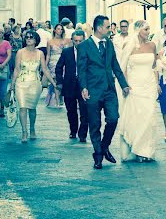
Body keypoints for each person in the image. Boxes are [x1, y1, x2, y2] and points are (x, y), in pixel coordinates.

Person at [78, 15, 129, 170]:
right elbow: (81, 69)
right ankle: (98, 154)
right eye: (108, 27)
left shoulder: (109, 44)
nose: (110, 29)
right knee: (94, 124)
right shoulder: (84, 46)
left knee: (113, 119)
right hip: (92, 91)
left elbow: (115, 65)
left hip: (109, 90)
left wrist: (124, 84)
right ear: (99, 28)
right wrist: (83, 87)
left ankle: (105, 146)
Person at [118, 20, 158, 162]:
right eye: (146, 29)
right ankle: (136, 148)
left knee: (149, 118)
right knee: (136, 118)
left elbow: (155, 66)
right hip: (134, 86)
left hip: (149, 85)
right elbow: (122, 68)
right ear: (138, 30)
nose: (148, 32)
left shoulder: (152, 45)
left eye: (149, 29)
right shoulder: (128, 45)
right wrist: (125, 85)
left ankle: (146, 151)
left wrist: (157, 82)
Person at [11, 29, 58, 143]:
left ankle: (32, 128)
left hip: (34, 83)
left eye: (31, 37)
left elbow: (45, 69)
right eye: (26, 37)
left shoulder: (40, 53)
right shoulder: (20, 52)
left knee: (32, 108)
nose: (28, 39)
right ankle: (24, 131)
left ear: (36, 40)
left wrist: (53, 82)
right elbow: (16, 69)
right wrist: (12, 84)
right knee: (22, 107)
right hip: (21, 83)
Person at [55, 29, 88, 143]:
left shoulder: (89, 52)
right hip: (69, 85)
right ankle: (73, 131)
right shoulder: (66, 52)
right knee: (71, 111)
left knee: (85, 111)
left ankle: (83, 134)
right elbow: (59, 67)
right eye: (76, 41)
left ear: (84, 40)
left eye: (80, 41)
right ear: (72, 41)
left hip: (84, 86)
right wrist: (60, 82)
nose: (78, 43)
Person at [45, 23, 71, 107]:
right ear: (54, 30)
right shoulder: (50, 41)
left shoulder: (66, 40)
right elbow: (48, 54)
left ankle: (61, 98)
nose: (60, 31)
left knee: (63, 80)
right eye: (58, 29)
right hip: (53, 63)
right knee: (55, 80)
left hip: (64, 61)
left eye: (61, 29)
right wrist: (45, 65)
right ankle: (57, 101)